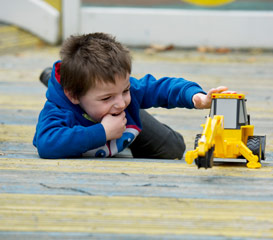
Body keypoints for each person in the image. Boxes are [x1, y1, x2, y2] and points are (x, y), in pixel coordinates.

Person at [33, 32, 228, 159]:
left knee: (173, 149)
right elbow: (47, 144)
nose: (120, 103)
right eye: (106, 97)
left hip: (127, 122)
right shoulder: (58, 110)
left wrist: (197, 97)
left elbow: (164, 87)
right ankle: (52, 77)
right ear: (74, 96)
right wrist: (102, 132)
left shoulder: (125, 97)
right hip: (84, 111)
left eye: (124, 90)